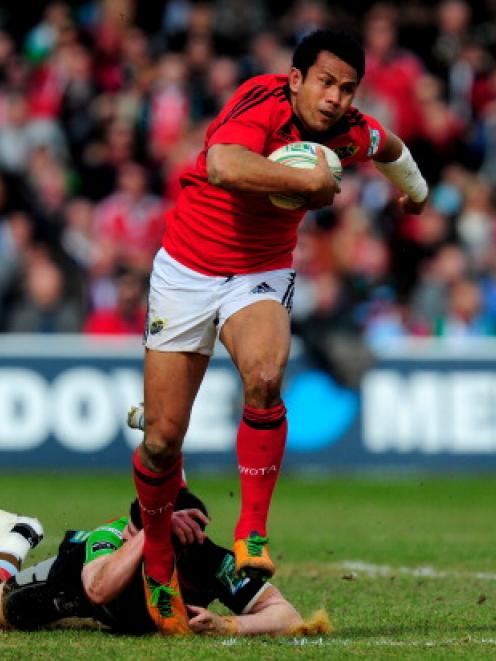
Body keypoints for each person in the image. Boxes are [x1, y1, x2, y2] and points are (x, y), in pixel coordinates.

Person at [132, 27, 429, 633]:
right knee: (162, 439)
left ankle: (252, 531)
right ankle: (157, 560)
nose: (336, 98)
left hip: (259, 272)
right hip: (187, 268)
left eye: (348, 88)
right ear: (295, 80)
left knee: (267, 376)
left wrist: (415, 194)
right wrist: (307, 183)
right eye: (325, 82)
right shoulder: (259, 102)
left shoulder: (352, 131)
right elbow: (222, 164)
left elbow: (391, 148)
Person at [0, 490, 315, 637]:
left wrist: (230, 624)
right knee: (6, 611)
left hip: (123, 615)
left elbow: (287, 615)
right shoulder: (109, 536)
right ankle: (21, 533)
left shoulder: (207, 559)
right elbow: (98, 589)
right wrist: (154, 531)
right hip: (71, 584)